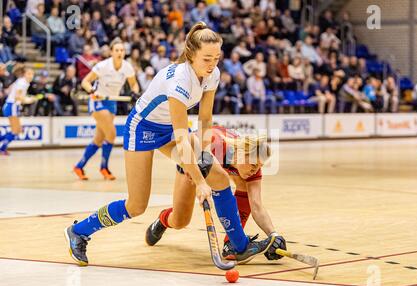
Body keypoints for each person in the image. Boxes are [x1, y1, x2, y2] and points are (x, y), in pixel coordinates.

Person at [64, 22, 275, 267]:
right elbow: (182, 135)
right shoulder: (179, 81)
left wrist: (204, 157)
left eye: (216, 58)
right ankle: (79, 231)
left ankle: (239, 246)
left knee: (216, 174)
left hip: (172, 130)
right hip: (143, 128)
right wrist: (198, 182)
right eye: (207, 59)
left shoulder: (212, 74)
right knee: (136, 205)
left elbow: (205, 119)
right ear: (190, 55)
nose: (212, 64)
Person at [145, 125, 287, 262]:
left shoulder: (251, 168)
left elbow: (256, 205)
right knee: (180, 221)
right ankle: (163, 219)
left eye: (259, 167)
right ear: (242, 153)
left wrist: (273, 235)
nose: (255, 171)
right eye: (254, 165)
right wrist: (195, 170)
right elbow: (189, 142)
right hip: (190, 161)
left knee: (245, 186)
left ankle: (231, 243)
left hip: (214, 167)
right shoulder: (216, 144)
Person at [73, 39, 139, 181]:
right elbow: (85, 81)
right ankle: (104, 167)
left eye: (122, 50)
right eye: (117, 50)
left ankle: (79, 166)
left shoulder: (127, 67)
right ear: (111, 52)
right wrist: (92, 90)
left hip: (112, 102)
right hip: (98, 101)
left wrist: (134, 93)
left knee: (99, 139)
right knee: (111, 134)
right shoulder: (103, 66)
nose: (120, 53)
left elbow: (134, 85)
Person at [0, 66, 36, 155]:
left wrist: (26, 98)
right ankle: (2, 149)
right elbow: (17, 97)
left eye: (32, 74)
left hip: (12, 106)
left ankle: (2, 148)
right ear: (24, 74)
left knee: (17, 130)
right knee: (16, 130)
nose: (31, 76)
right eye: (29, 74)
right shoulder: (22, 83)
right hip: (11, 106)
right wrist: (28, 100)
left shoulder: (24, 82)